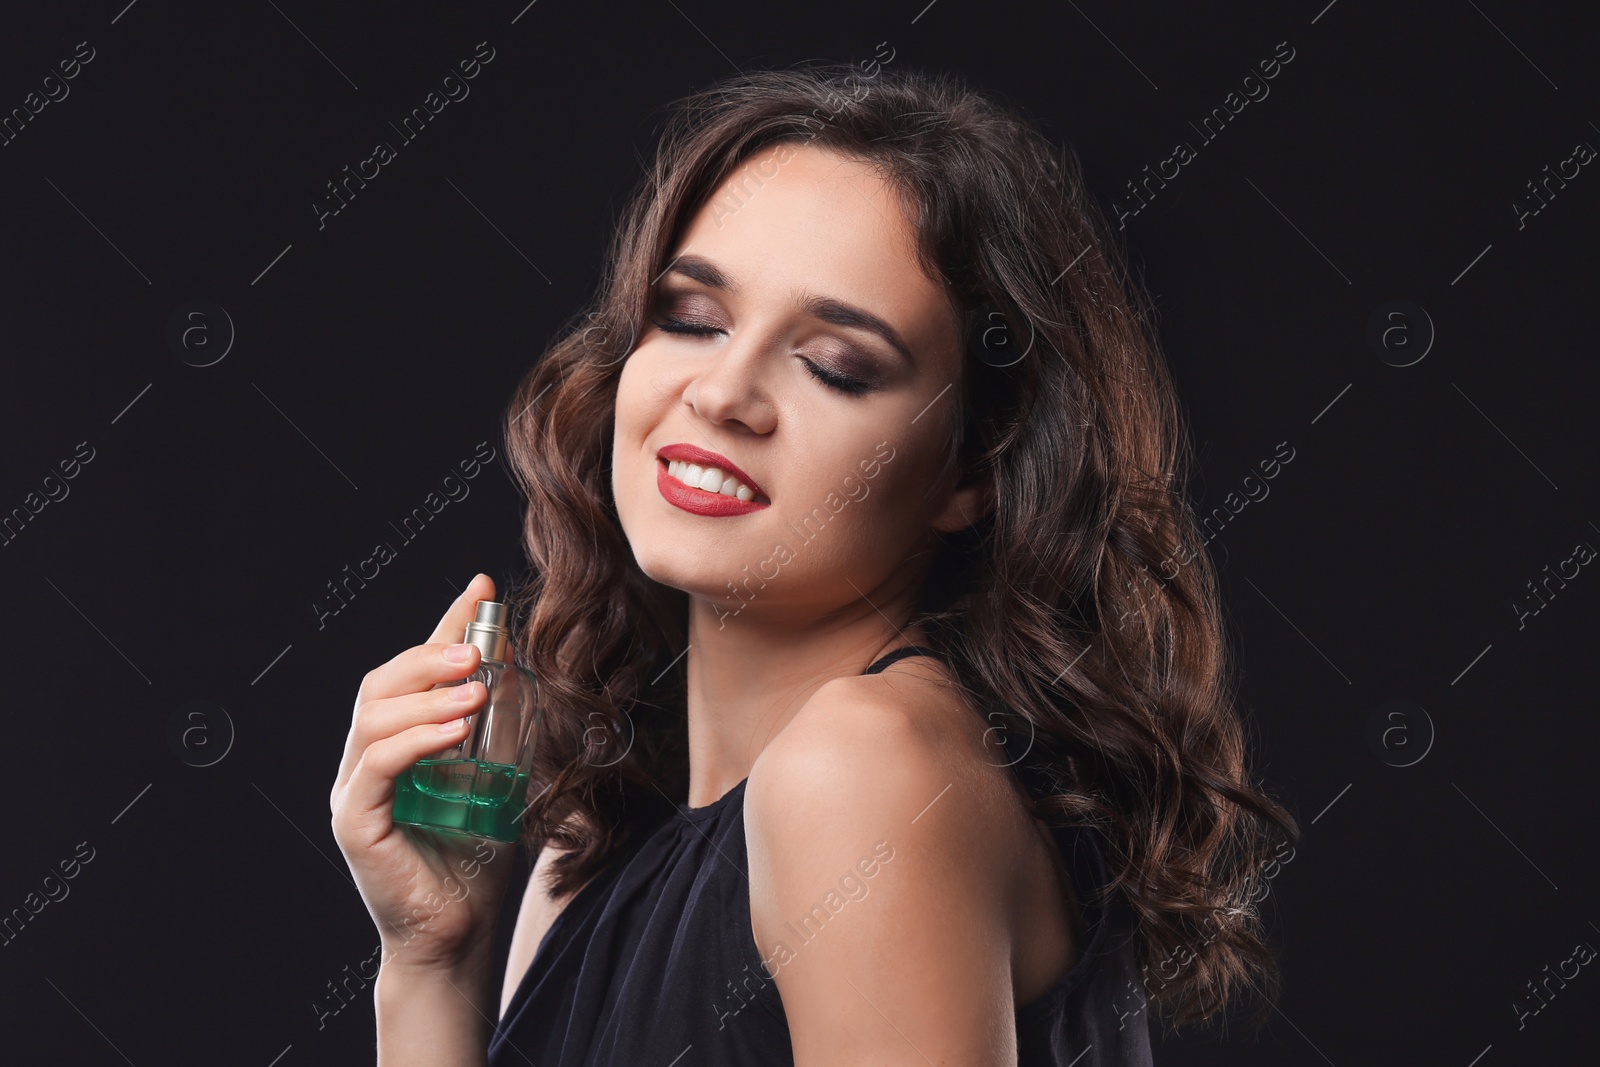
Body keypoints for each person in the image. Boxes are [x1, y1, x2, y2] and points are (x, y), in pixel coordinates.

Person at [331, 62, 1300, 1066]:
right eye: (692, 318)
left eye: (835, 365)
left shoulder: (864, 770)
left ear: (972, 465)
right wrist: (431, 961)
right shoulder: (597, 846)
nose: (722, 391)